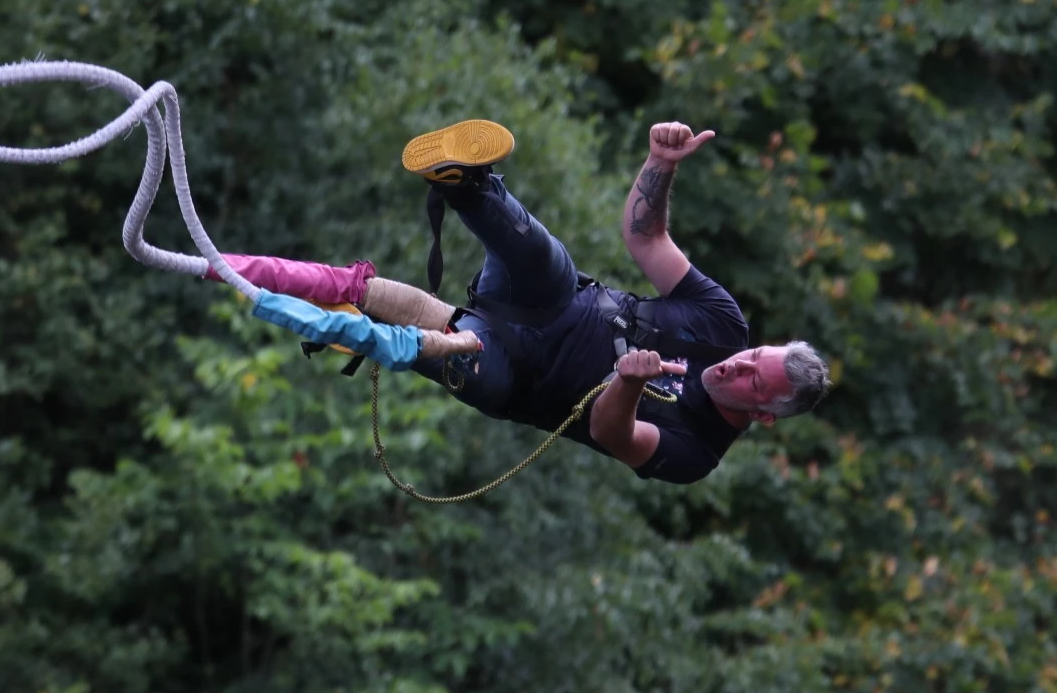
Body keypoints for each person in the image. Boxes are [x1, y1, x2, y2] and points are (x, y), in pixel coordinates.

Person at [216, 119, 830, 484]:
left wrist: (630, 383)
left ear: (765, 415)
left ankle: (247, 282)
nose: (738, 364)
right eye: (755, 356)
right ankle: (465, 181)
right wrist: (660, 164)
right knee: (541, 257)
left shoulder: (697, 452)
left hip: (512, 373)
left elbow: (612, 434)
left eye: (753, 381)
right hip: (555, 303)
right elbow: (646, 237)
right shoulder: (723, 323)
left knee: (416, 330)